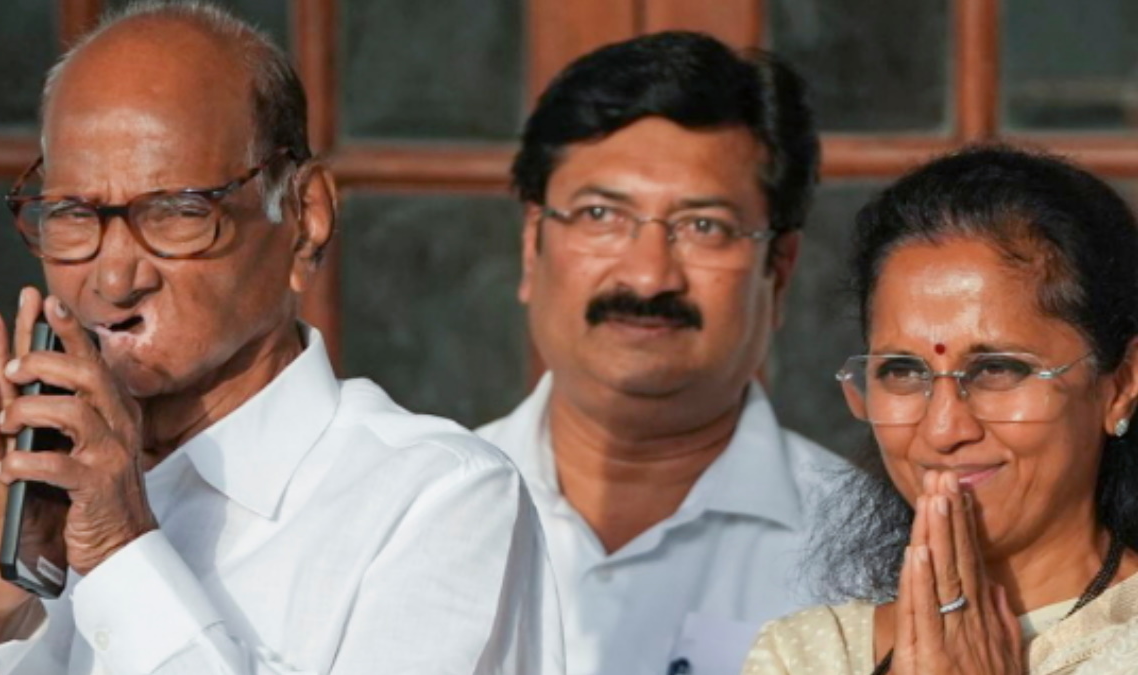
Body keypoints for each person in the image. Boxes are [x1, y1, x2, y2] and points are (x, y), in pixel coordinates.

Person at [0, 2, 563, 673]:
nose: (114, 278)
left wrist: (121, 552)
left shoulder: (434, 501)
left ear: (305, 215)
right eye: (71, 213)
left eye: (177, 211)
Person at [477, 31, 842, 675]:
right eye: (600, 215)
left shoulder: (867, 553)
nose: (648, 278)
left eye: (704, 226)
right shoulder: (414, 510)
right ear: (532, 246)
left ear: (779, 270)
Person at [742, 145, 1138, 675]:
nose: (944, 428)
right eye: (903, 372)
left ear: (1121, 384)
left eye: (997, 369)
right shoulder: (810, 656)